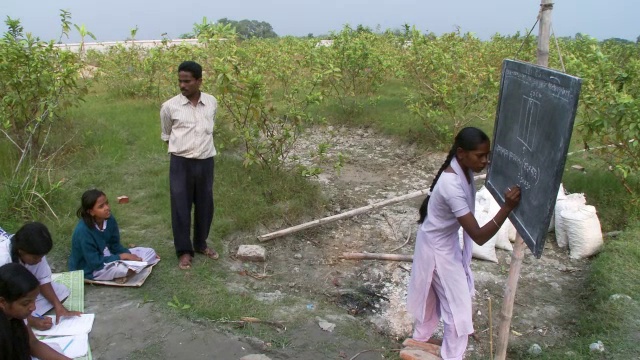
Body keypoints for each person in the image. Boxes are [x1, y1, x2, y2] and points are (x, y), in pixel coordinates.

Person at [406, 127, 521, 360]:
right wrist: (506, 208)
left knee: (435, 297)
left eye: (487, 155)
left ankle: (420, 339)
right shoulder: (451, 185)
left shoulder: (463, 170)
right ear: (461, 153)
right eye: (480, 156)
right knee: (459, 309)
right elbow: (478, 236)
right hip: (436, 249)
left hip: (440, 242)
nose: (485, 161)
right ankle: (452, 356)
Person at [160, 60, 219, 270]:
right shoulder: (169, 107)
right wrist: (183, 152)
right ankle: (184, 251)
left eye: (187, 81)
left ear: (199, 81)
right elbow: (166, 134)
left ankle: (201, 243)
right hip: (181, 163)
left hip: (205, 162)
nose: (182, 85)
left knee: (205, 205)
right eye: (180, 81)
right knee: (180, 206)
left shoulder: (211, 102)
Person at [0, 222, 81, 331]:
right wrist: (32, 320)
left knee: (61, 292)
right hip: (6, 300)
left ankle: (23, 312)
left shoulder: (34, 252)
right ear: (21, 251)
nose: (39, 260)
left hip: (19, 296)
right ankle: (21, 317)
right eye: (35, 258)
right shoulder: (3, 259)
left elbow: (43, 279)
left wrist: (59, 307)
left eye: (41, 257)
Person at [69, 189, 160, 282]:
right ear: (91, 212)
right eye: (101, 206)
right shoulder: (83, 231)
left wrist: (130, 255)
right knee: (120, 269)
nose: (107, 208)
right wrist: (122, 257)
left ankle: (133, 269)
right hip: (91, 268)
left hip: (109, 256)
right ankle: (130, 271)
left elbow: (115, 245)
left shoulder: (109, 219)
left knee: (149, 252)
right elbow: (95, 262)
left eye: (107, 203)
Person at [0, 263, 71, 360]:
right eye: (25, 303)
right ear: (2, 302)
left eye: (34, 300)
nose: (33, 307)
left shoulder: (16, 317)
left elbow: (33, 344)